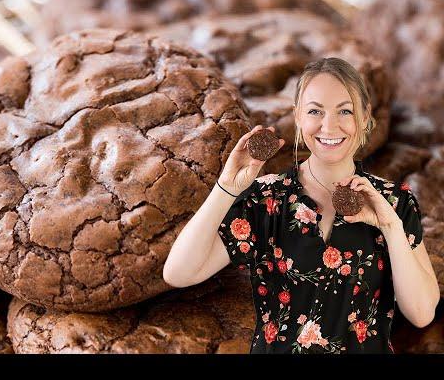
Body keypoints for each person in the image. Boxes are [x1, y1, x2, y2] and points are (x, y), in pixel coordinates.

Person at [163, 57, 440, 353]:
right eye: (315, 111)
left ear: (364, 116)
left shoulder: (394, 203)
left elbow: (421, 314)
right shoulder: (266, 199)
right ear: (298, 117)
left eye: (344, 111)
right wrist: (227, 189)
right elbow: (179, 273)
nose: (329, 125)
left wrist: (390, 227)